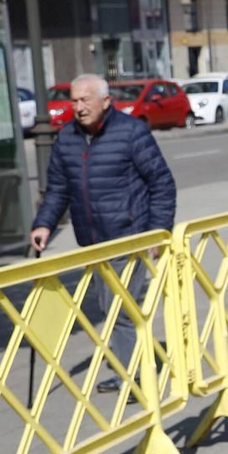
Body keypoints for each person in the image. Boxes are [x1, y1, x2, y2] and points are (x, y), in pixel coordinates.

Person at [29, 74, 178, 390]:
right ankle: (138, 366)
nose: (79, 108)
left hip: (129, 235)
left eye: (85, 100)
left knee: (119, 308)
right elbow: (58, 189)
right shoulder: (66, 138)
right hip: (93, 241)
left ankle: (137, 378)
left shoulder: (131, 132)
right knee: (109, 306)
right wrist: (43, 224)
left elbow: (162, 183)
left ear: (106, 101)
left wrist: (157, 231)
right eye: (74, 101)